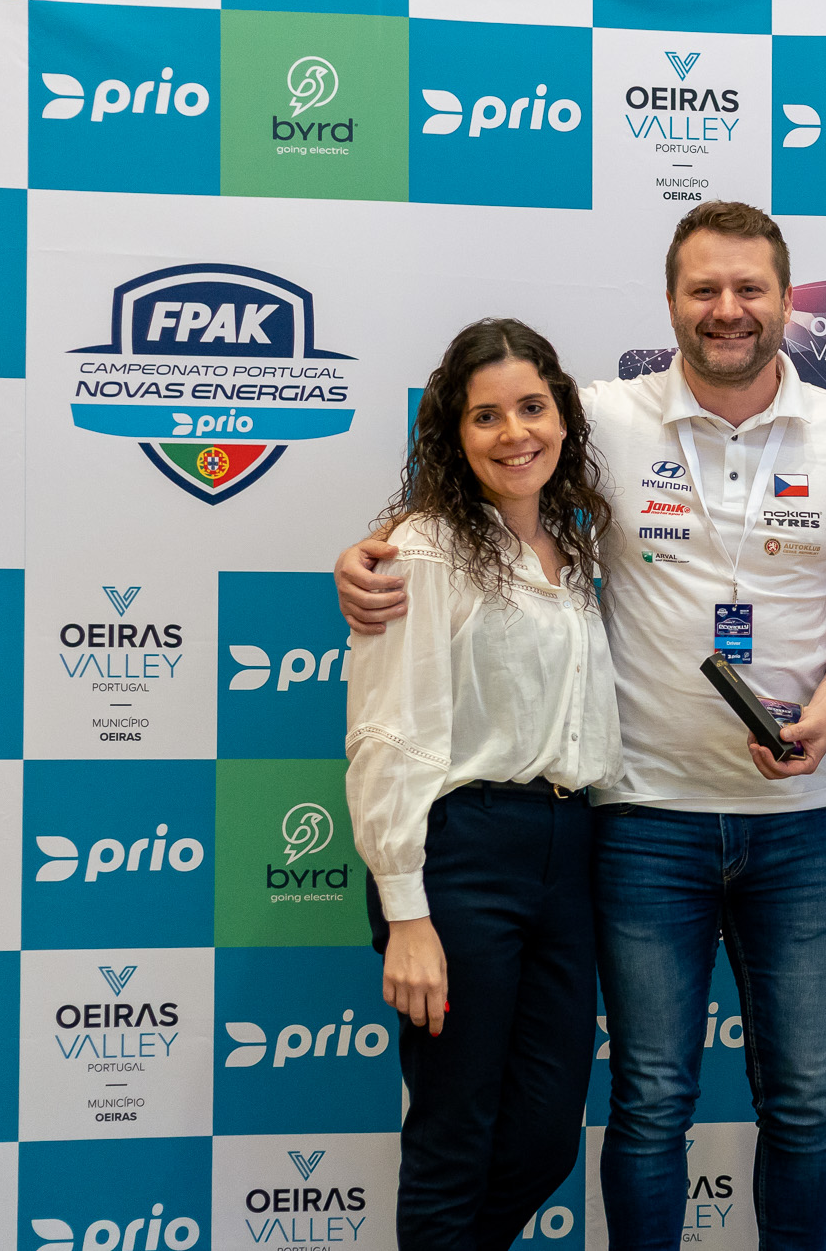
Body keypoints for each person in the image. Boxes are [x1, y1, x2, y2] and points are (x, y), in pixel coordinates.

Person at [336, 202, 826, 1251]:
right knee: (646, 1106)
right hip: (641, 820)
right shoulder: (599, 417)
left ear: (788, 300)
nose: (727, 309)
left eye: (749, 288)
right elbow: (481, 474)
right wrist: (374, 551)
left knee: (803, 1103)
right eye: (704, 289)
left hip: (798, 824)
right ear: (671, 302)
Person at [344, 319, 622, 1251]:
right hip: (459, 856)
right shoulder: (424, 550)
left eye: (532, 407)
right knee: (453, 1138)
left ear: (563, 415)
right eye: (486, 416)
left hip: (567, 850)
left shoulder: (572, 551)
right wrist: (407, 913)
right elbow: (386, 734)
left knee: (543, 1140)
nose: (515, 433)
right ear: (453, 435)